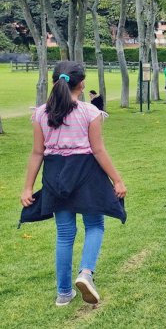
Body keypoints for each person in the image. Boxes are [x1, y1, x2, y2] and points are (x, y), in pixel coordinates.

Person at [19, 61, 127, 307]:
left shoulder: (40, 113)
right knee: (95, 225)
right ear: (82, 84)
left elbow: (37, 153)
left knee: (65, 234)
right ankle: (86, 273)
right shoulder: (90, 112)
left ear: (56, 81)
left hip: (55, 173)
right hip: (86, 171)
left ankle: (63, 293)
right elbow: (98, 150)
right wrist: (117, 180)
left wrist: (27, 187)